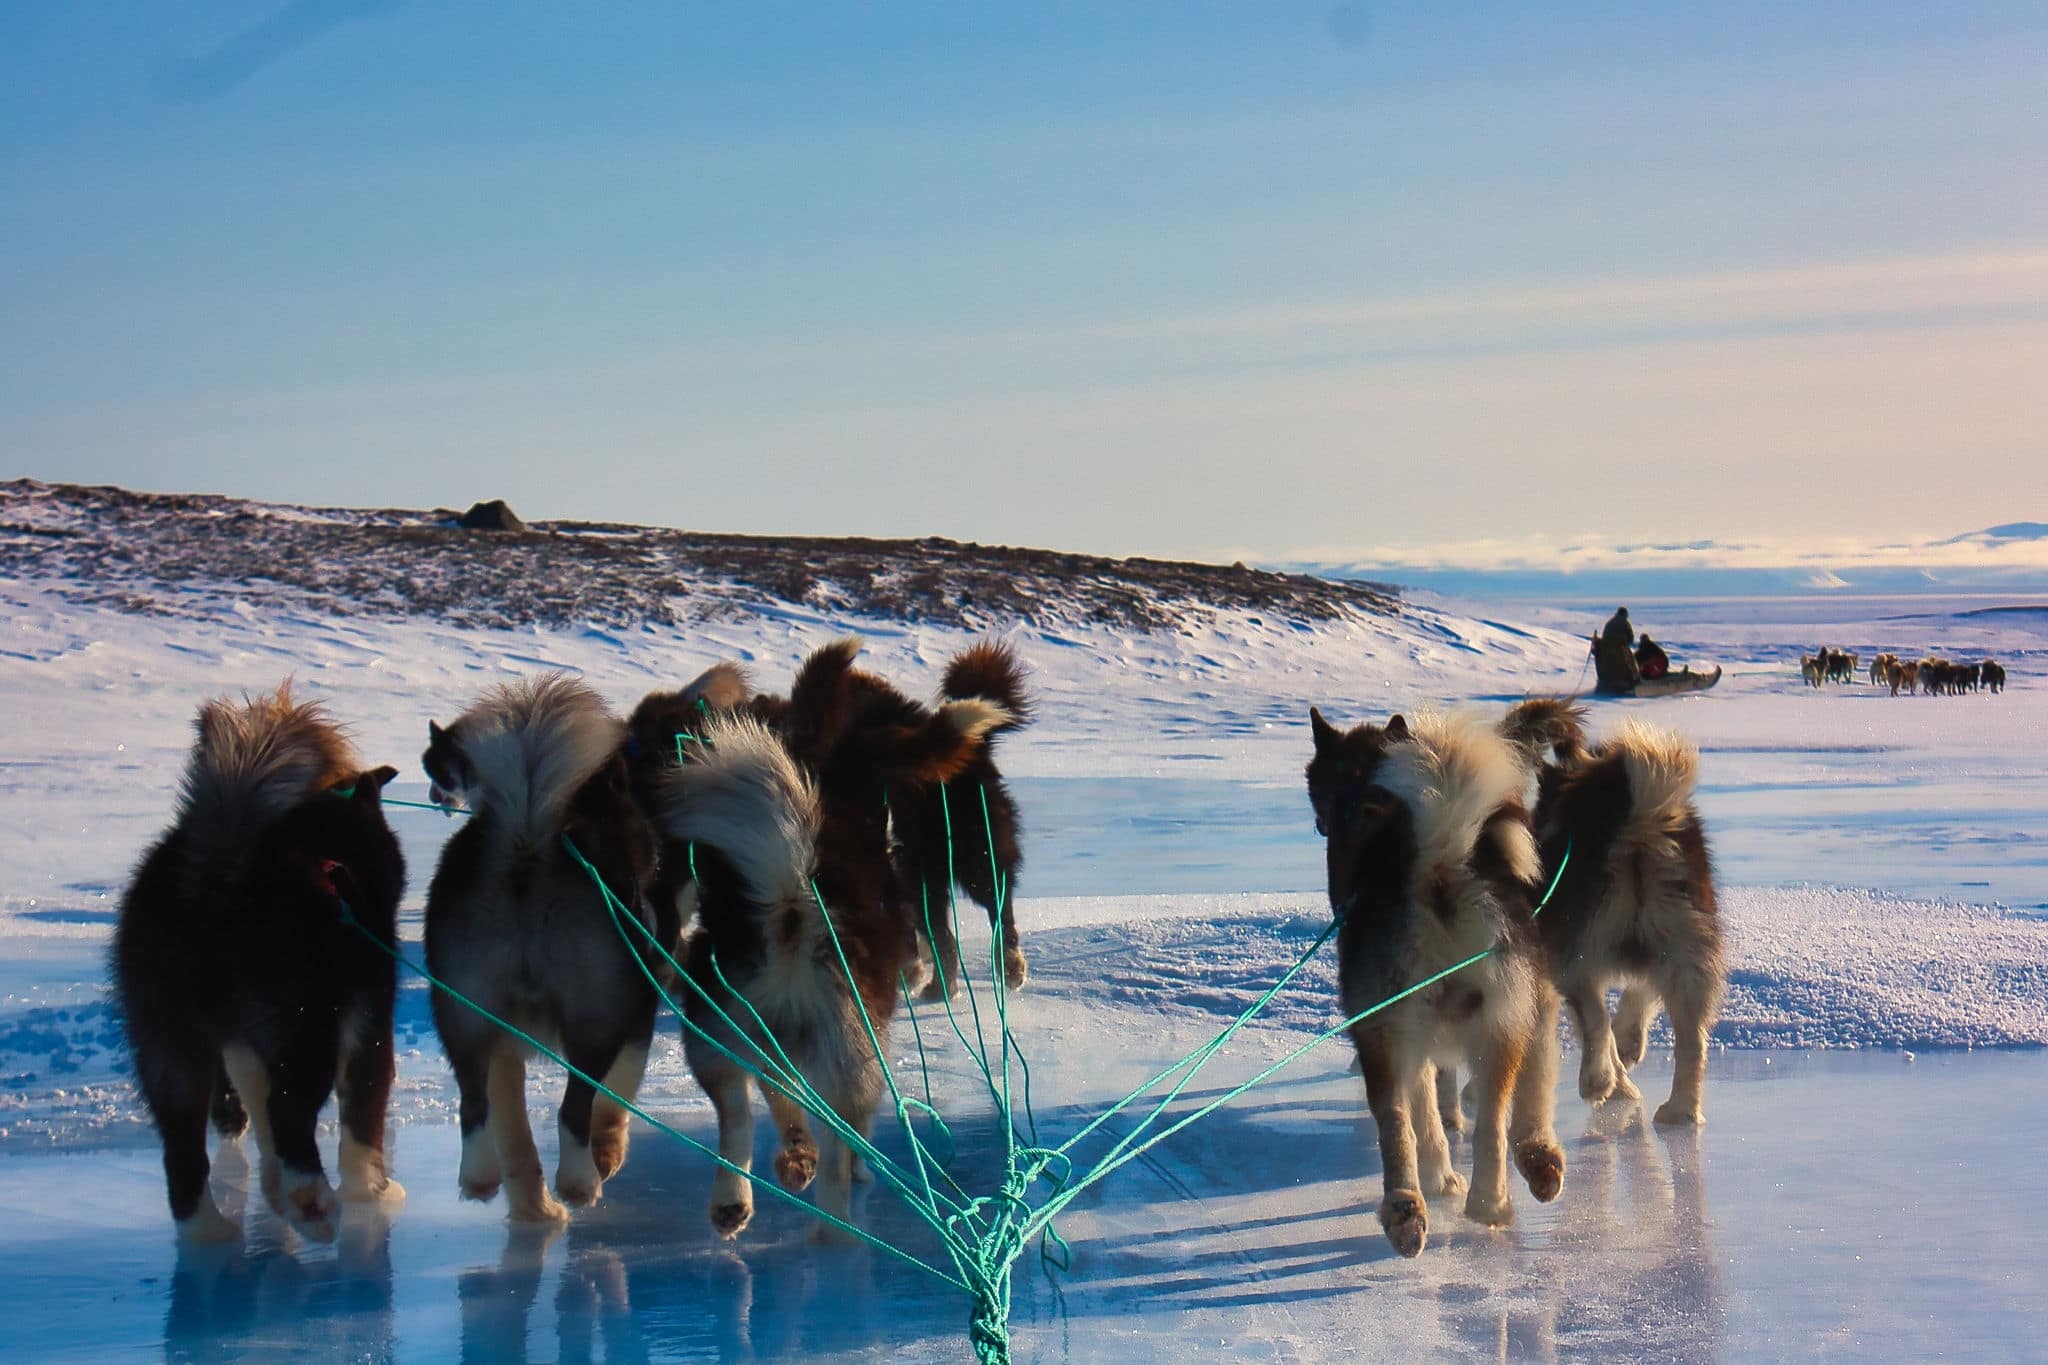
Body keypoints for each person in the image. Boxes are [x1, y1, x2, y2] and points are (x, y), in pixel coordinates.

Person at [1592, 606, 1639, 691]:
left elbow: (1605, 635)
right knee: (1629, 663)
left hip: (1605, 649)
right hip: (1619, 648)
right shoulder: (1625, 623)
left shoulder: (1609, 622)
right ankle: (1631, 682)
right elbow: (1630, 638)